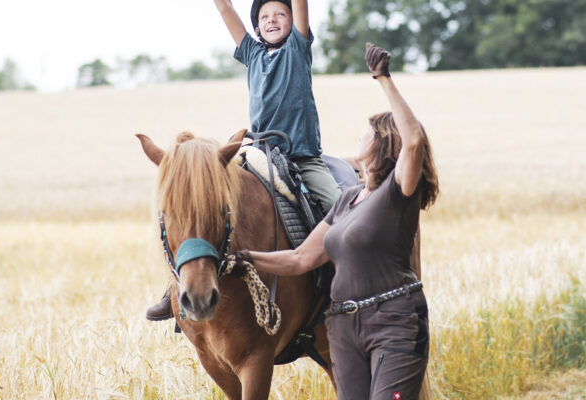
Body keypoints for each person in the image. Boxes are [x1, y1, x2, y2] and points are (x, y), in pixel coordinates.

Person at [233, 43, 439, 399]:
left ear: (384, 143)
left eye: (368, 131)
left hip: (393, 322)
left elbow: (414, 141)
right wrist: (246, 258)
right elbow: (301, 259)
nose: (360, 135)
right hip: (344, 327)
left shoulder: (397, 193)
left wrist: (383, 79)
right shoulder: (346, 200)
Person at [146, 0, 341, 321]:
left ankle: (350, 280)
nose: (273, 20)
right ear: (256, 27)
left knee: (341, 208)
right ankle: (176, 286)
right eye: (265, 17)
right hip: (258, 151)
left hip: (301, 156)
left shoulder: (297, 47)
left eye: (281, 14)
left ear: (295, 22)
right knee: (206, 200)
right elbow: (225, 11)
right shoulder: (252, 53)